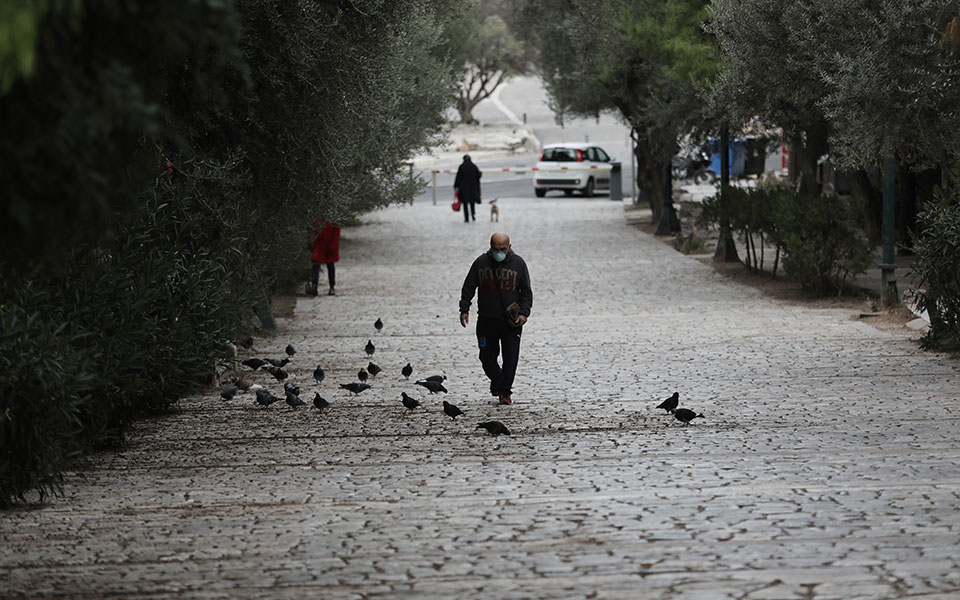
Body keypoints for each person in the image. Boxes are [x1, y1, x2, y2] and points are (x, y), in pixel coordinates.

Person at [459, 232, 533, 405]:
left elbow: (526, 292)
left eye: (503, 249)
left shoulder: (518, 264)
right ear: (490, 247)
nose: (499, 252)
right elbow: (468, 287)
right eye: (495, 249)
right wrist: (464, 309)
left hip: (510, 322)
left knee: (511, 358)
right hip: (486, 320)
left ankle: (505, 392)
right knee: (486, 357)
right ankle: (498, 379)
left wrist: (524, 313)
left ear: (509, 247)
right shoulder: (480, 263)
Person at [308, 220, 341, 296]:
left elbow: (336, 230)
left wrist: (333, 245)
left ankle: (332, 286)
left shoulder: (332, 217)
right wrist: (310, 242)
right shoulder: (315, 216)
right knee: (316, 265)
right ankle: (314, 285)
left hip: (330, 243)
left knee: (330, 265)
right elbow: (310, 230)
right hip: (318, 244)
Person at [454, 154, 482, 223]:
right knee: (472, 202)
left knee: (465, 204)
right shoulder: (474, 166)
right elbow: (478, 175)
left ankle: (466, 218)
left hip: (464, 188)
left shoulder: (461, 167)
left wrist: (455, 186)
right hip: (473, 187)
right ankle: (473, 215)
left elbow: (458, 177)